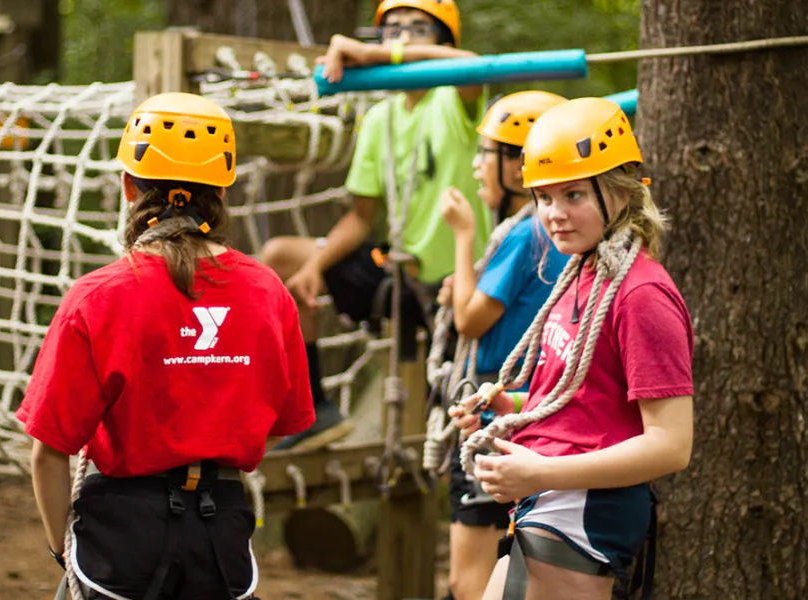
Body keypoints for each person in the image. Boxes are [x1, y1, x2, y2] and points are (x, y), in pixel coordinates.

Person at [16, 92, 314, 600]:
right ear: (222, 191)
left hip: (121, 536)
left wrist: (62, 552)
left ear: (129, 185)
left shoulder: (98, 296)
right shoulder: (267, 292)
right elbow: (280, 423)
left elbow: (49, 451)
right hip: (221, 534)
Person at [450, 97, 695, 600]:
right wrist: (509, 406)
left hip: (582, 514)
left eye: (574, 195)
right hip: (551, 502)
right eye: (543, 198)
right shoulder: (584, 271)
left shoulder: (641, 295)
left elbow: (672, 445)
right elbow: (587, 399)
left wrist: (539, 471)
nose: (554, 215)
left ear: (621, 192)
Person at [260, 0, 495, 452]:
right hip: (398, 282)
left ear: (443, 41)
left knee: (458, 424)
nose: (403, 37)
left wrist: (382, 57)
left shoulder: (455, 102)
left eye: (418, 29)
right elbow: (359, 218)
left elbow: (472, 66)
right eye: (392, 30)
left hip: (461, 288)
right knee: (281, 258)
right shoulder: (381, 120)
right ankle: (314, 409)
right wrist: (315, 266)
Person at [434, 90, 572, 600]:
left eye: (486, 154)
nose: (475, 167)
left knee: (468, 583)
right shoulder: (547, 233)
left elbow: (471, 321)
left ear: (517, 166)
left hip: (496, 417)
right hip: (526, 413)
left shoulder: (526, 234)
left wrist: (464, 235)